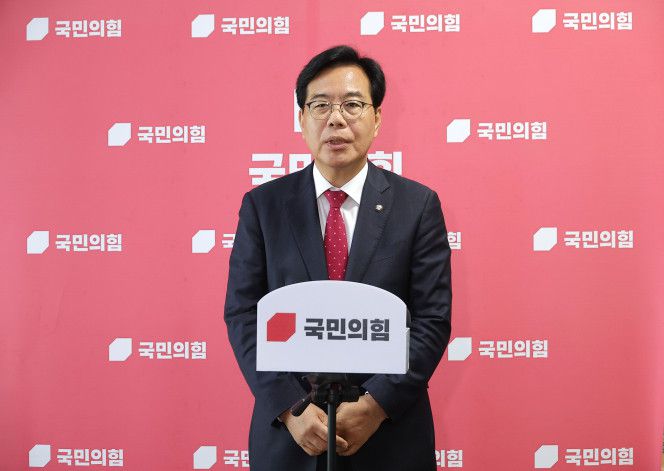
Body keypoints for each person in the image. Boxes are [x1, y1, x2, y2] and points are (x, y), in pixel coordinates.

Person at [224, 45, 452, 471]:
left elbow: (432, 319)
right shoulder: (264, 206)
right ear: (301, 118)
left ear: (377, 117)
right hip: (290, 437)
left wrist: (375, 406)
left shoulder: (417, 206)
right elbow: (243, 314)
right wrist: (290, 407)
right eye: (321, 105)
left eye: (352, 104)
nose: (336, 119)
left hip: (389, 436)